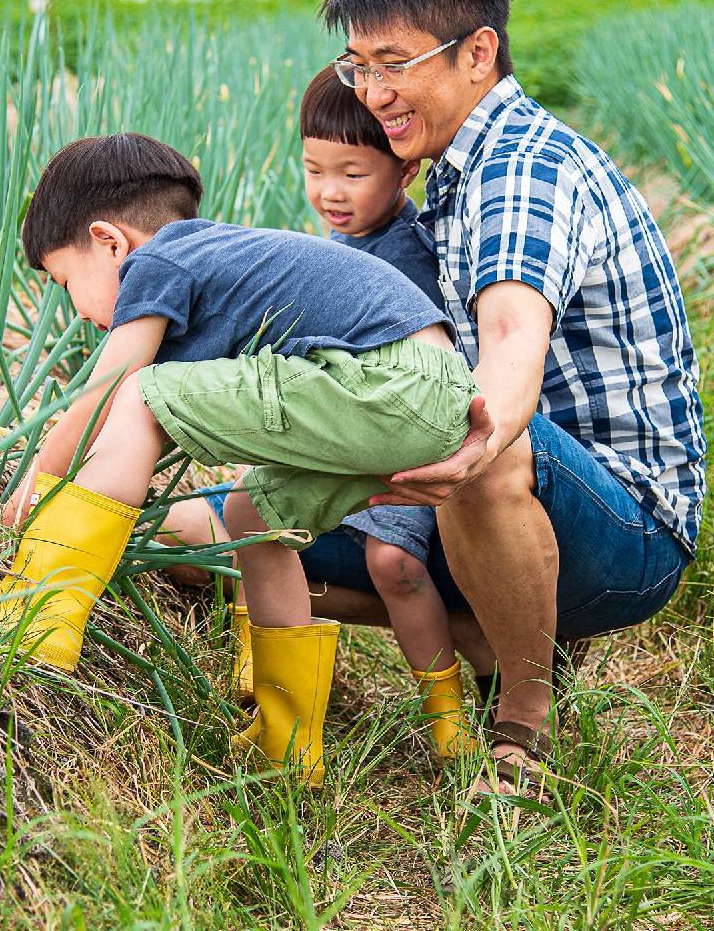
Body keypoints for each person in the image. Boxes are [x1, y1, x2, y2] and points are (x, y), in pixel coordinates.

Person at [309, 0, 709, 797]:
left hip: (626, 528)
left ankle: (523, 725)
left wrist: (461, 447)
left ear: (478, 52)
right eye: (355, 67)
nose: (372, 93)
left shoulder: (520, 173)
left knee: (481, 437)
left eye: (393, 62)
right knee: (207, 536)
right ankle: (492, 625)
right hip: (524, 511)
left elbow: (510, 346)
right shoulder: (449, 169)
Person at [0, 132, 477, 786]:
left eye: (66, 282)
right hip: (427, 396)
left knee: (139, 398)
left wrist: (30, 489)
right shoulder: (209, 262)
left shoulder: (166, 259)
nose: (75, 309)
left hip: (389, 383)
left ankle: (39, 622)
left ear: (109, 242)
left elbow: (106, 394)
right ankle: (287, 748)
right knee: (251, 516)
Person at [162, 67, 481, 758]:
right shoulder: (330, 253)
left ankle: (447, 717)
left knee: (395, 560)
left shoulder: (416, 253)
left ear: (405, 173)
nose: (330, 192)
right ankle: (277, 695)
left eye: (354, 173)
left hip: (409, 435)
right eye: (314, 169)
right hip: (344, 434)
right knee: (253, 515)